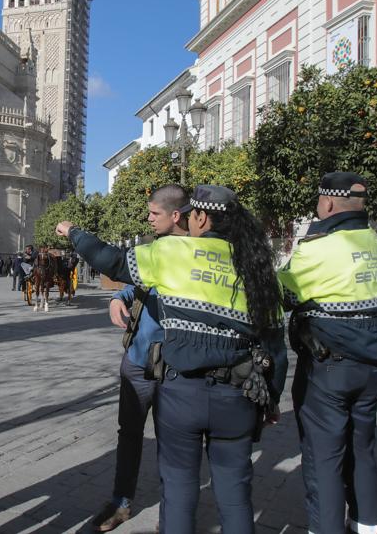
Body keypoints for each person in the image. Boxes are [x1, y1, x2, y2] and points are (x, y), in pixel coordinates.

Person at [60, 185, 286, 534]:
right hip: (238, 396)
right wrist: (270, 398)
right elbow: (275, 346)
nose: (149, 219)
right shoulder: (257, 268)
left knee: (178, 490)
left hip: (181, 391)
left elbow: (113, 261)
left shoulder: (171, 253)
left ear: (197, 217)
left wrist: (74, 232)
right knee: (236, 494)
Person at [279, 172, 377, 534]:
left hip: (330, 367)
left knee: (324, 457)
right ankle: (368, 525)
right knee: (361, 447)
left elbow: (283, 293)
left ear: (328, 203)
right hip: (374, 365)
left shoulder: (318, 247)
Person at [90, 184, 185, 532]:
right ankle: (121, 502)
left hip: (173, 366)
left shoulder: (193, 254)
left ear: (177, 215)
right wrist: (118, 298)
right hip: (136, 362)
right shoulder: (153, 249)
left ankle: (172, 514)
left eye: (154, 213)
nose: (148, 219)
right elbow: (137, 283)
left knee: (173, 442)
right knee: (128, 434)